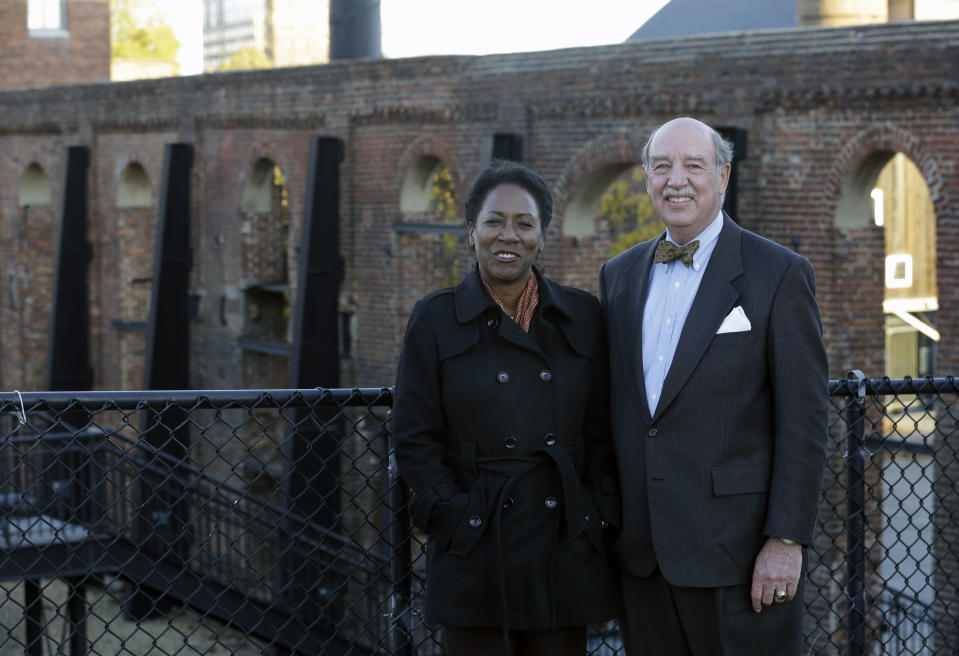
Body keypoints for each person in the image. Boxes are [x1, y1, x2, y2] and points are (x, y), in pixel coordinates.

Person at [599, 117, 828, 655]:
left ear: (723, 176)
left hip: (738, 558)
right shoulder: (619, 275)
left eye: (693, 165)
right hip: (643, 556)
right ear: (647, 178)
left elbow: (805, 419)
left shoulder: (778, 273)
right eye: (662, 166)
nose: (676, 179)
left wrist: (786, 539)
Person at [393, 159, 620, 656]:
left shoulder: (582, 317)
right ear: (471, 229)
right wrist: (453, 516)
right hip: (477, 543)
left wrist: (596, 515)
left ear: (543, 234)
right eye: (494, 221)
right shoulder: (435, 319)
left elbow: (605, 431)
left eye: (524, 223)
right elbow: (414, 436)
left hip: (561, 543)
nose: (508, 236)